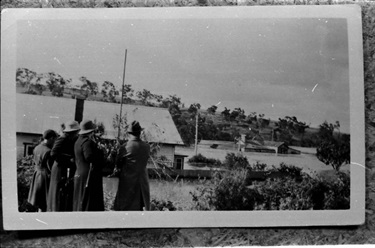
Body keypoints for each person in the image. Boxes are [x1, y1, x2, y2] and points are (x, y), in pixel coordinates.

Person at [114, 121, 151, 211]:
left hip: (128, 182)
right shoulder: (147, 146)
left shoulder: (125, 147)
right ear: (140, 133)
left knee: (125, 208)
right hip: (142, 181)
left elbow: (118, 163)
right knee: (140, 208)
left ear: (129, 133)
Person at [47, 120, 80, 212]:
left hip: (64, 167)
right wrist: (69, 158)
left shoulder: (71, 138)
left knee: (63, 190)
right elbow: (53, 153)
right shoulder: (63, 138)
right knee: (58, 190)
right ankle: (55, 209)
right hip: (59, 167)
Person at [72, 119, 105, 211]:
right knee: (89, 200)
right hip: (88, 174)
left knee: (80, 197)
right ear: (91, 131)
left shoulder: (78, 141)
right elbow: (89, 157)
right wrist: (100, 152)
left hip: (79, 172)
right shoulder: (87, 142)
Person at [27, 129, 57, 212]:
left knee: (38, 200)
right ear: (51, 138)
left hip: (37, 174)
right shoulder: (48, 151)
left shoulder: (37, 148)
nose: (54, 142)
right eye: (54, 139)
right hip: (44, 176)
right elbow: (50, 167)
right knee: (44, 202)